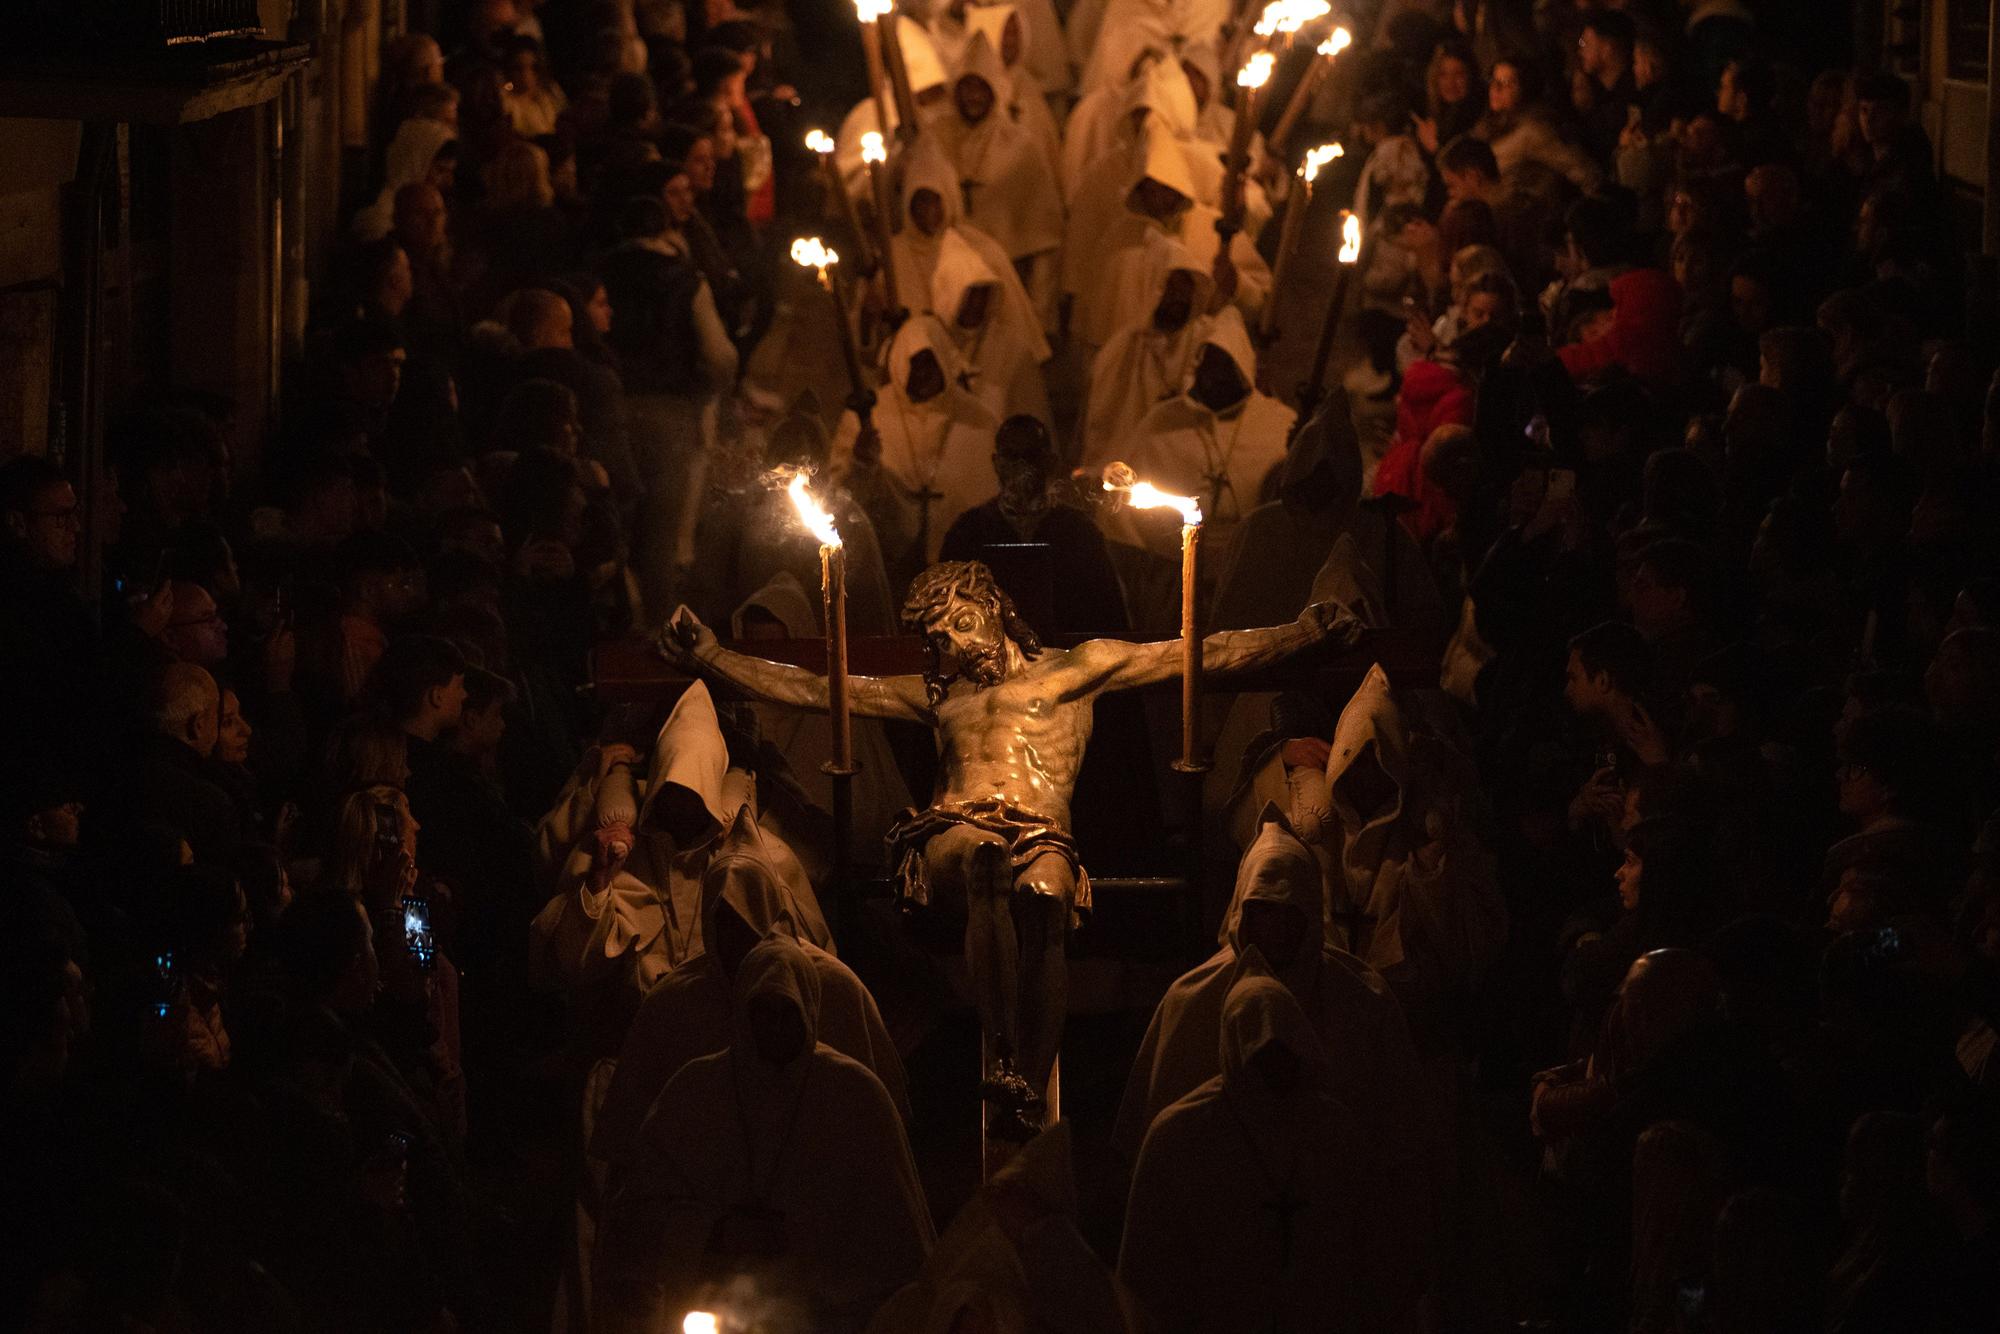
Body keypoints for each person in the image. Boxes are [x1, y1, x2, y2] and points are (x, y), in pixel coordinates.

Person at [661, 562, 1359, 1136]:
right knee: (991, 867)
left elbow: (1197, 652)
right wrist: (713, 656)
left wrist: (1304, 634)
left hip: (1043, 831)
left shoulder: (1077, 670)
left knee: (1046, 893)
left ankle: (1033, 1062)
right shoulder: (938, 698)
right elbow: (818, 688)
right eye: (942, 638)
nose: (959, 645)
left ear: (995, 606)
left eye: (964, 623)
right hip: (953, 830)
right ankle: (1000, 1053)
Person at [594, 933, 934, 1330]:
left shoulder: (854, 1096)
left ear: (808, 1010)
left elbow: (895, 1244)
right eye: (762, 1013)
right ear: (742, 1010)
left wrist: (805, 1247)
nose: (773, 1028)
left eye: (785, 1014)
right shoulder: (695, 1090)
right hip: (712, 1308)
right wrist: (716, 1232)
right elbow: (637, 1216)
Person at [1117, 972, 1401, 1332]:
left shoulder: (1335, 1130)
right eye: (1262, 1054)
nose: (1273, 1066)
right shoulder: (1179, 1135)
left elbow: (1375, 1254)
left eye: (1283, 1052)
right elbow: (1148, 1270)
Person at [940, 415, 1130, 636]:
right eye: (1012, 456)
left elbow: (1109, 617)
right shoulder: (968, 532)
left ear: (1049, 462)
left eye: (1031, 456)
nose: (1022, 466)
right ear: (997, 462)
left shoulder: (1078, 532)